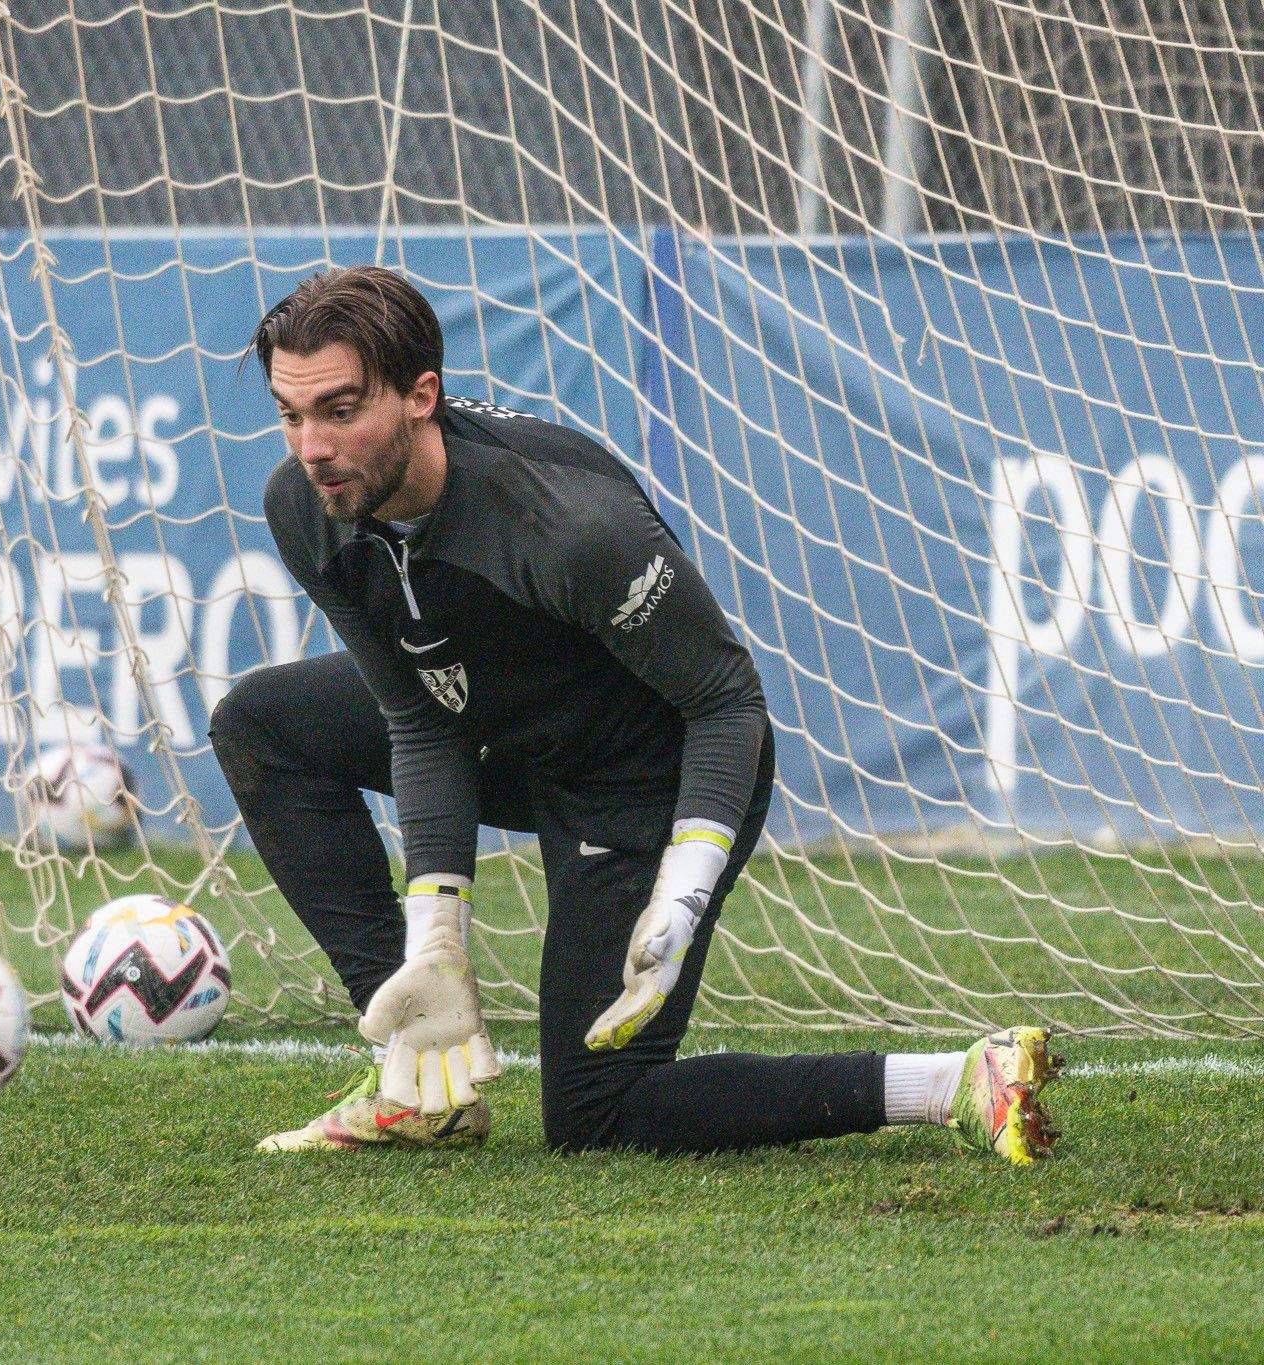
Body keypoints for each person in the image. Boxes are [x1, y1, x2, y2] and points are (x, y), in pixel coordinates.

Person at [208, 266, 1062, 1161]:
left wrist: (683, 891)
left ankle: (958, 1079)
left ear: (423, 395)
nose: (311, 447)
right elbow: (421, 719)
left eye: (341, 410)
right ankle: (417, 1076)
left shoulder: (566, 525)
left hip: (646, 776)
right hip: (508, 727)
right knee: (262, 724)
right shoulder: (306, 508)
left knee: (597, 1119)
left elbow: (728, 702)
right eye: (291, 414)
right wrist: (437, 942)